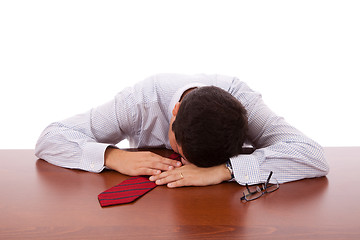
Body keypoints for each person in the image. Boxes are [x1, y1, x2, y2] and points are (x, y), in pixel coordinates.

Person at [35, 73, 329, 188]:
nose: (183, 164)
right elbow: (51, 137)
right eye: (179, 151)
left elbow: (313, 156)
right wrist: (113, 156)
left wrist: (224, 170)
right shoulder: (140, 101)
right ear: (174, 113)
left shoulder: (245, 104)